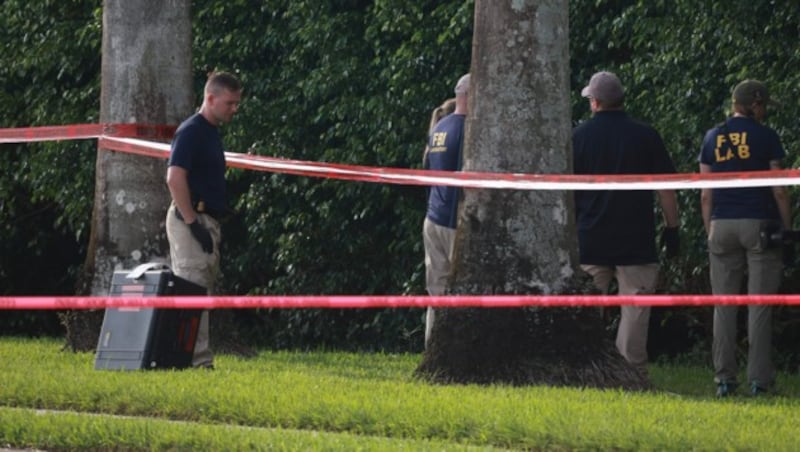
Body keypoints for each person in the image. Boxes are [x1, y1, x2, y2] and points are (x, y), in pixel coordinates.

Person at [572, 71, 680, 376]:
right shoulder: (646, 135)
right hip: (636, 238)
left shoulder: (578, 137)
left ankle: (587, 369)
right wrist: (672, 229)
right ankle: (631, 374)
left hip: (590, 236)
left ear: (594, 102)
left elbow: (564, 191)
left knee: (588, 309)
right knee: (635, 308)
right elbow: (666, 189)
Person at [698, 80, 791, 397]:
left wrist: (709, 228)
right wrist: (787, 228)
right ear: (754, 105)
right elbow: (779, 187)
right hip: (759, 225)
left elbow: (705, 194)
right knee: (759, 305)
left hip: (721, 224)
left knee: (723, 304)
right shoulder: (766, 137)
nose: (764, 112)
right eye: (763, 106)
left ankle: (724, 380)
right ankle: (759, 381)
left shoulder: (712, 137)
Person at [165, 71, 242, 369]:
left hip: (205, 218)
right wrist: (192, 223)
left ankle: (194, 359)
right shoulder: (192, 131)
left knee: (201, 290)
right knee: (192, 290)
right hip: (191, 218)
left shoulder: (210, 132)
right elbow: (174, 177)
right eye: (229, 103)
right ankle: (195, 363)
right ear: (210, 98)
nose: (234, 108)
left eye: (236, 103)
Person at [422, 74, 469, 348]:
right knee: (462, 290)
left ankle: (433, 349)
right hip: (453, 222)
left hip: (433, 217)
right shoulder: (466, 129)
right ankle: (457, 351)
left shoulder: (440, 126)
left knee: (436, 291)